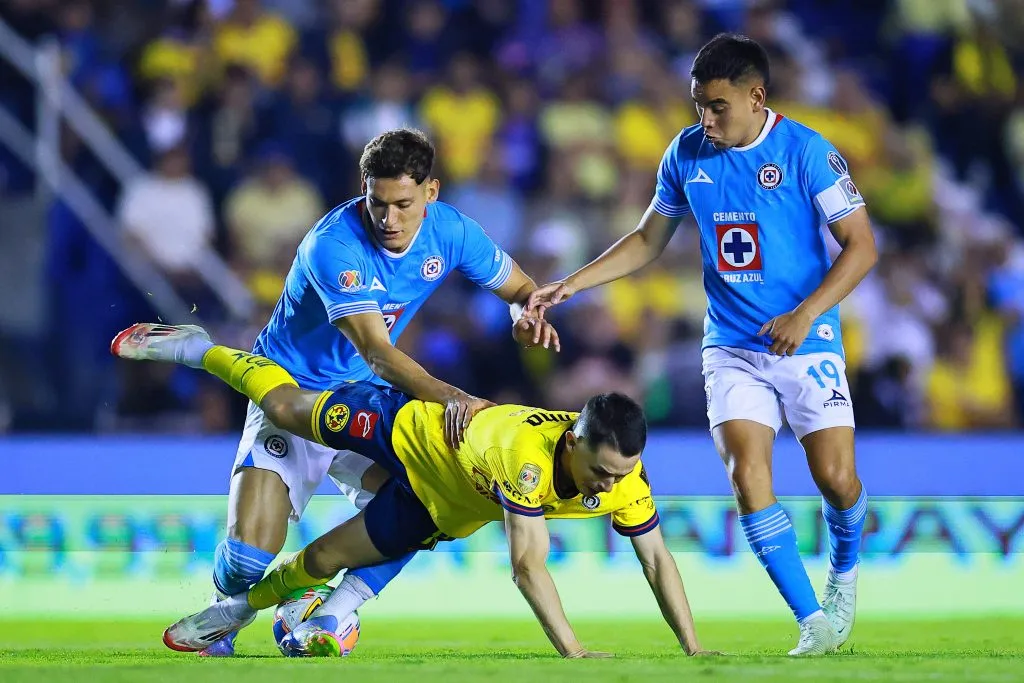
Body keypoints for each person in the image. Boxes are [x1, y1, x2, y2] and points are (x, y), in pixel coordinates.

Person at [526, 34, 877, 656]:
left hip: (808, 338)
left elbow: (862, 246)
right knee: (748, 476)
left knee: (837, 479)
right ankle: (811, 621)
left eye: (717, 107)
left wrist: (806, 312)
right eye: (697, 106)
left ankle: (844, 571)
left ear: (755, 96)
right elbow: (646, 240)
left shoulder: (807, 153)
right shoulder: (686, 153)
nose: (704, 119)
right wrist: (571, 284)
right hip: (731, 345)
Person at [111, 323, 713, 659]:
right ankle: (199, 347)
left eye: (620, 474)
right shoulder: (523, 458)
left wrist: (693, 649)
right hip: (407, 430)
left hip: (439, 504)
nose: (609, 486)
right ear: (574, 440)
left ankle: (251, 611)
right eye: (601, 472)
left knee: (321, 559)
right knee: (286, 407)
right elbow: (529, 567)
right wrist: (575, 655)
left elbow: (657, 558)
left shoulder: (626, 479)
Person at [192, 128, 558, 656]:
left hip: (360, 400)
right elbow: (379, 354)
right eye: (377, 202)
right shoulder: (333, 245)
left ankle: (334, 611)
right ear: (363, 189)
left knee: (420, 506)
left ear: (431, 192)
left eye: (402, 204)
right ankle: (225, 608)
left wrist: (525, 314)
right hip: (292, 397)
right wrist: (451, 396)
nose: (388, 218)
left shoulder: (452, 231)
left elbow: (521, 288)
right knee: (247, 561)